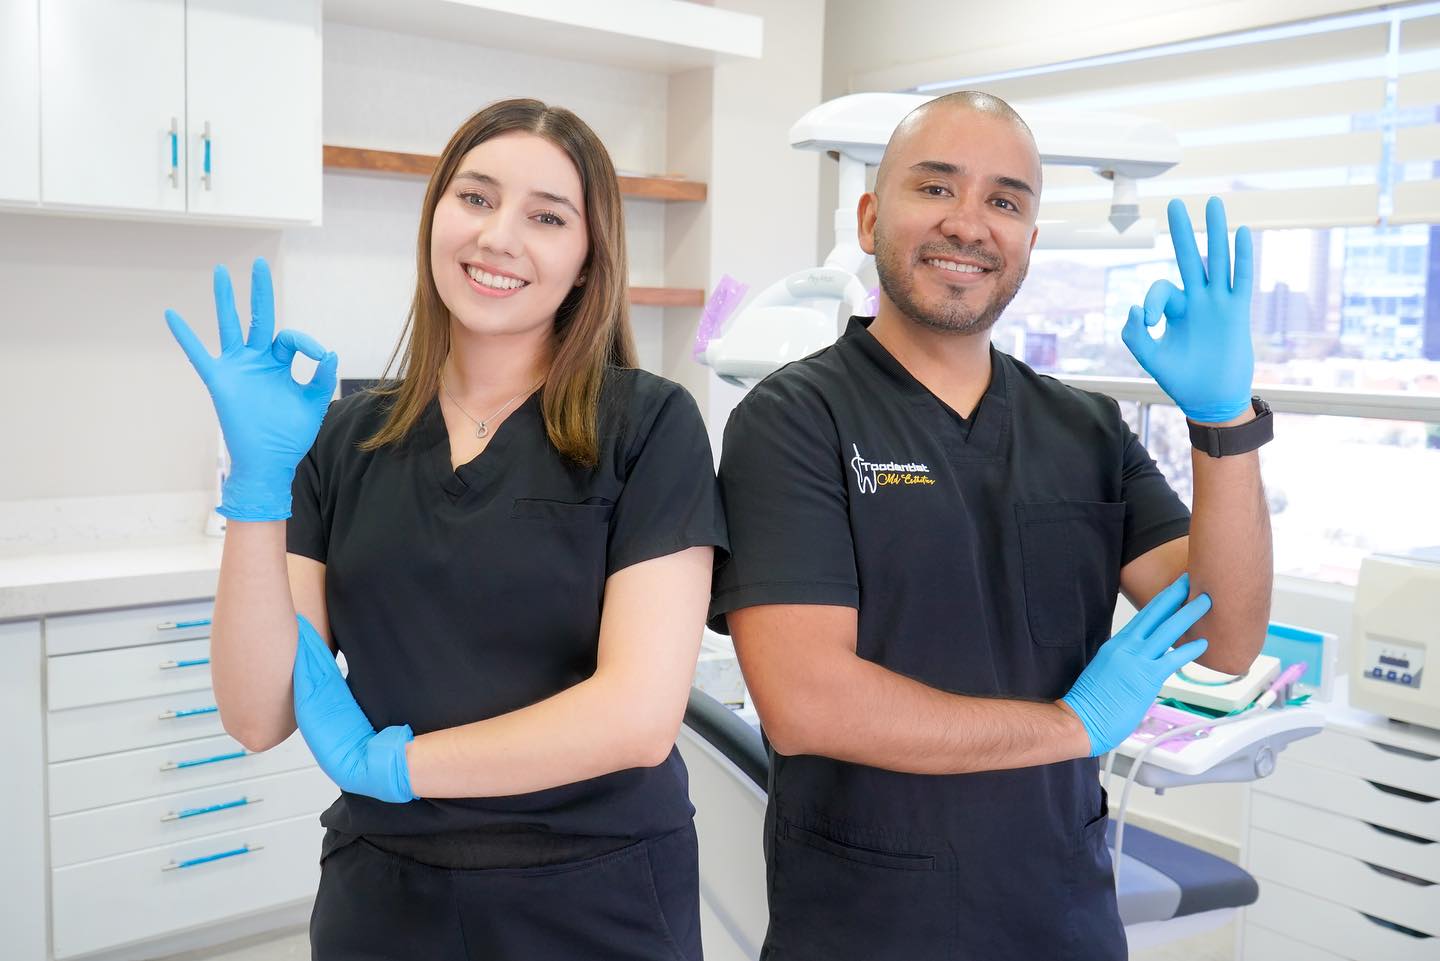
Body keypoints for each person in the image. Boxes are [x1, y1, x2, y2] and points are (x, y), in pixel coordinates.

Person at [708, 90, 1273, 959]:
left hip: (1061, 915)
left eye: (1004, 201)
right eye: (936, 187)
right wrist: (1072, 727)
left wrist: (1225, 424)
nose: (968, 224)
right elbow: (807, 703)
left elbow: (1225, 639)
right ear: (870, 219)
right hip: (868, 925)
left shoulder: (1087, 429)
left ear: (1029, 244)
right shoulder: (794, 420)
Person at [166, 98, 726, 960]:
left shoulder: (647, 425)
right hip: (384, 897)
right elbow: (257, 712)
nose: (499, 236)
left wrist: (397, 765)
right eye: (475, 198)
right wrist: (256, 489)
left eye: (547, 216)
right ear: (436, 216)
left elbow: (638, 715)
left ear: (588, 261)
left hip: (595, 897)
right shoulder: (345, 436)